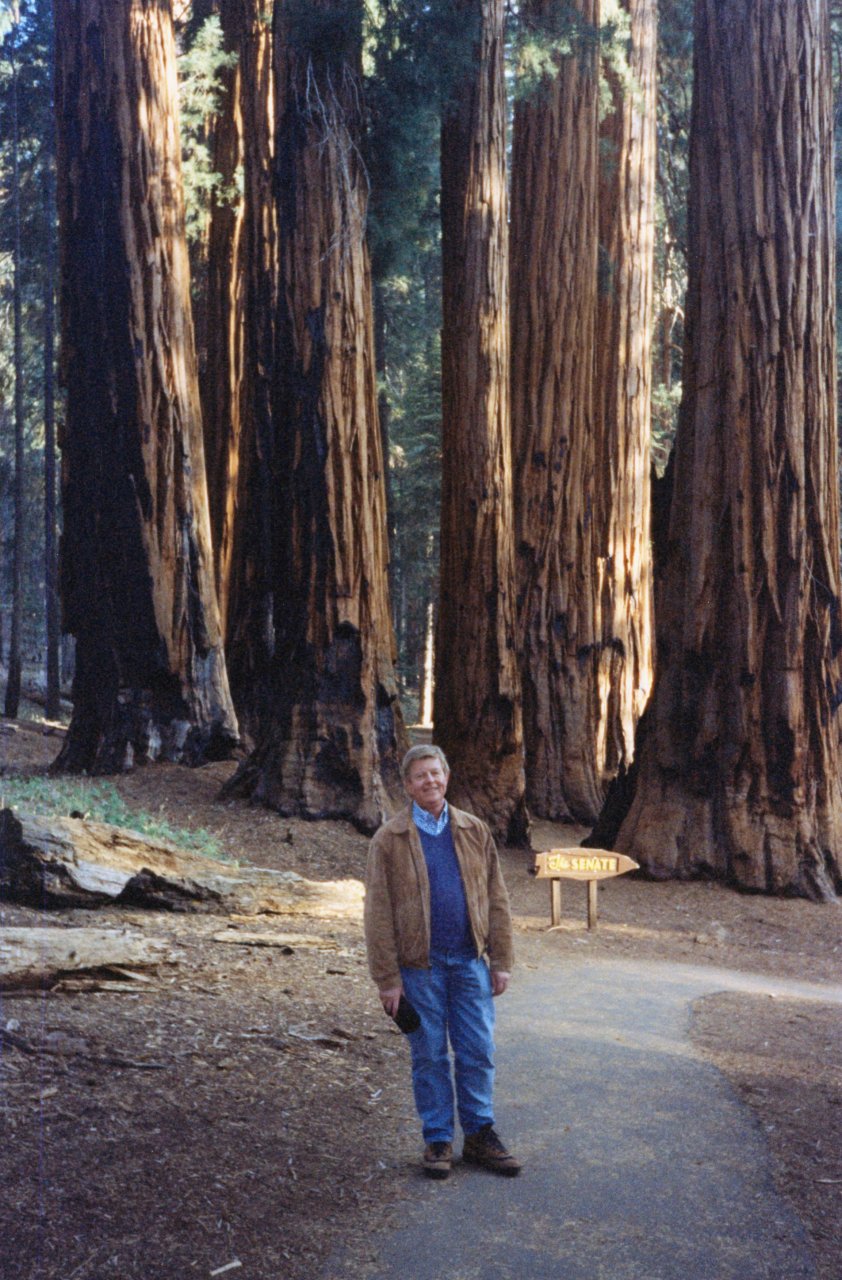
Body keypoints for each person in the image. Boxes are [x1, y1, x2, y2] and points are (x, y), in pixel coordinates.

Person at [364, 744, 521, 1180]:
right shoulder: (390, 840)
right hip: (420, 968)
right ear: (407, 785)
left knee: (477, 1050)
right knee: (430, 1054)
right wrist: (387, 980)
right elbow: (377, 913)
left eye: (435, 773)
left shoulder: (474, 830)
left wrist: (501, 959)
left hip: (470, 962)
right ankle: (437, 1138)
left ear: (446, 777)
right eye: (419, 776)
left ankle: (479, 1134)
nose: (429, 782)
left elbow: (497, 898)